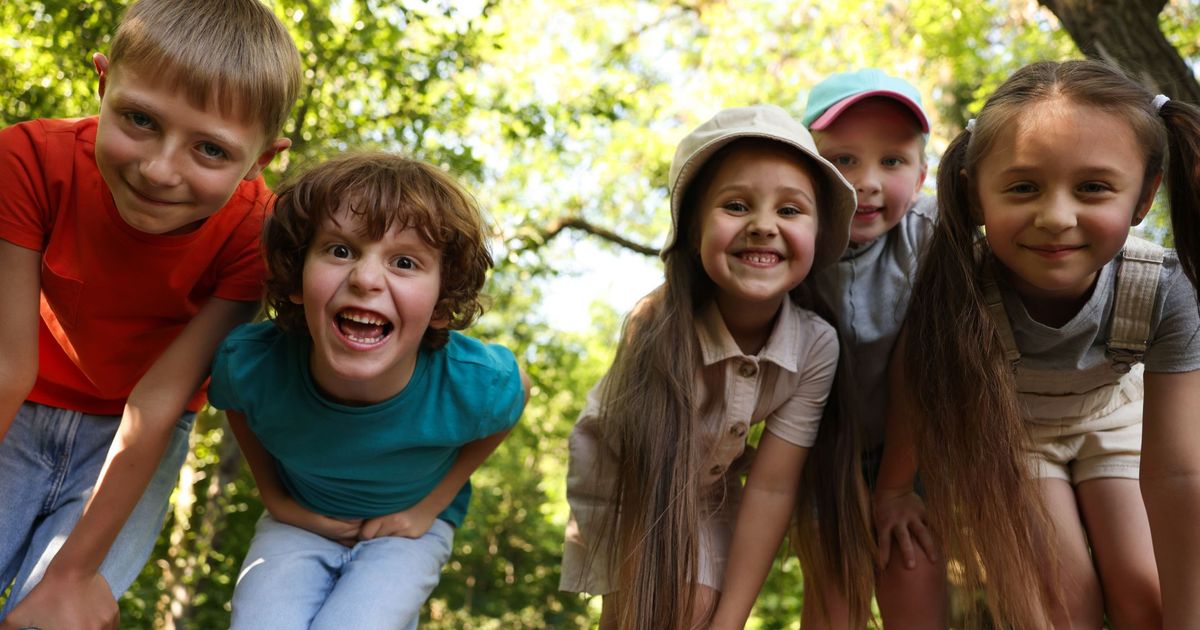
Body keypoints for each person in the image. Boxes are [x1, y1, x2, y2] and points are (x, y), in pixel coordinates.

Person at [0, 1, 299, 627]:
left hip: (136, 441)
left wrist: (74, 573)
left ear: (261, 159)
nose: (159, 170)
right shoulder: (29, 161)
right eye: (139, 119)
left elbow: (156, 404)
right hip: (16, 408)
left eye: (210, 150)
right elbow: (7, 366)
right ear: (103, 84)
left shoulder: (256, 235)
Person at [875, 59, 1200, 628]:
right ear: (975, 195)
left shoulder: (1165, 290)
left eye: (1093, 187)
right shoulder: (958, 286)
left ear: (1144, 197)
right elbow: (915, 383)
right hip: (1014, 438)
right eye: (1024, 187)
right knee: (1061, 605)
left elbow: (1177, 476)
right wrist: (895, 488)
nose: (1055, 217)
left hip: (1118, 425)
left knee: (1145, 593)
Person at [560, 104, 874, 629]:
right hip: (630, 485)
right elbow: (644, 477)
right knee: (667, 610)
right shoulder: (657, 325)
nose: (763, 226)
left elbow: (771, 488)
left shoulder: (815, 345)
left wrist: (731, 620)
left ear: (819, 233)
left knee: (711, 613)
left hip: (713, 485)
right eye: (736, 205)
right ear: (693, 229)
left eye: (789, 210)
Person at [208, 152, 529, 629]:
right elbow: (237, 403)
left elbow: (518, 393)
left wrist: (429, 508)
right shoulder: (251, 364)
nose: (365, 278)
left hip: (408, 527)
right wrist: (277, 500)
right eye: (340, 250)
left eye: (405, 262)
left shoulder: (474, 383)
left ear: (441, 304)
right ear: (296, 278)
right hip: (300, 518)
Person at [800, 69, 946, 627]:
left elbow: (927, 368)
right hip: (821, 451)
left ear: (922, 174)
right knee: (834, 601)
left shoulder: (929, 233)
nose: (867, 182)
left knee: (913, 573)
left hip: (914, 445)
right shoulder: (790, 239)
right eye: (843, 160)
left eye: (892, 161)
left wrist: (895, 486)